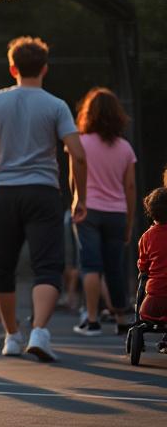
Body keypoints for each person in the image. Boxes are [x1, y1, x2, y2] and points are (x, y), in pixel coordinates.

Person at [0, 36, 86, 362]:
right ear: (45, 69)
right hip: (42, 192)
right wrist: (79, 195)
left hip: (3, 192)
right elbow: (78, 155)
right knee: (48, 266)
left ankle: (12, 336)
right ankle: (40, 331)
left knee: (2, 268)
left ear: (12, 67)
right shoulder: (56, 105)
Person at [71, 87, 136, 336]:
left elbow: (72, 177)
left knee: (90, 265)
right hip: (117, 212)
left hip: (88, 211)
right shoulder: (125, 148)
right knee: (114, 267)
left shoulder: (80, 142)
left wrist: (78, 201)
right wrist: (129, 221)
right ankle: (121, 318)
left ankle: (91, 318)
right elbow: (129, 186)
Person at [136, 188, 167, 352]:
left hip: (154, 301)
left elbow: (143, 265)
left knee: (142, 313)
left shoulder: (146, 237)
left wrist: (144, 269)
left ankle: (137, 342)